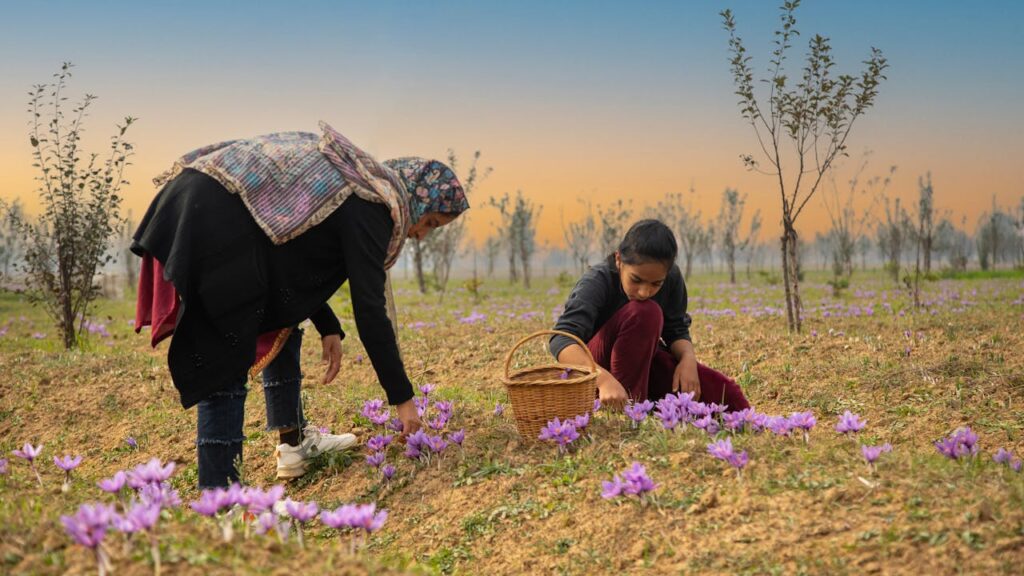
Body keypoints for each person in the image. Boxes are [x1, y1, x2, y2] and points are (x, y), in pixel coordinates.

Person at [131, 122, 468, 488]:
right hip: (211, 218)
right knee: (222, 360)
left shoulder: (360, 188)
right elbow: (370, 310)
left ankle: (292, 446)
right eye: (429, 221)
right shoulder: (373, 206)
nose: (421, 234)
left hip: (206, 203)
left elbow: (293, 258)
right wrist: (403, 400)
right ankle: (220, 500)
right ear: (416, 198)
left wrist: (327, 325)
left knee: (281, 318)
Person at [550, 219, 750, 412]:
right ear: (619, 259)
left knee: (727, 396)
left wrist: (688, 359)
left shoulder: (672, 278)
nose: (645, 292)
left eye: (656, 284)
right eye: (636, 280)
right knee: (645, 311)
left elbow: (676, 331)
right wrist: (602, 379)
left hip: (641, 364)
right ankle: (630, 411)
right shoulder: (597, 281)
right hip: (593, 374)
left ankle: (639, 403)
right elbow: (562, 339)